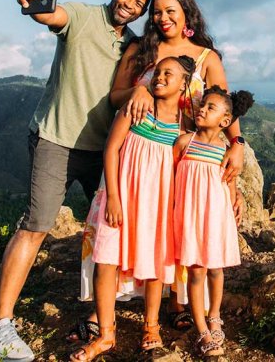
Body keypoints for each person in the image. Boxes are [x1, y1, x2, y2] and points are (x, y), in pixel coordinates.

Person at [0, 0, 152, 362]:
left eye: (139, 3)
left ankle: (100, 313)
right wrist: (35, 5)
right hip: (55, 140)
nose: (130, 4)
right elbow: (51, 16)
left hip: (104, 149)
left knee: (114, 229)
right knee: (37, 225)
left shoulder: (135, 46)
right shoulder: (82, 16)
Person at [68, 0, 245, 339]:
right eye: (157, 12)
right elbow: (115, 95)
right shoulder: (141, 48)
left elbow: (222, 104)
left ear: (186, 13)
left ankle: (176, 302)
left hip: (182, 157)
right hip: (137, 149)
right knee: (119, 230)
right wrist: (138, 90)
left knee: (166, 228)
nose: (163, 18)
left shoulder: (207, 57)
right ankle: (105, 309)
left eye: (171, 11)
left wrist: (237, 142)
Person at [71, 56, 194, 361]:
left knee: (155, 264)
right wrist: (112, 196)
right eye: (157, 71)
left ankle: (151, 327)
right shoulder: (136, 108)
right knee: (107, 261)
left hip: (158, 204)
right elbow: (111, 149)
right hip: (122, 198)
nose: (160, 77)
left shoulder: (182, 123)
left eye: (170, 73)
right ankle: (106, 334)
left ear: (184, 84)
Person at [172, 87, 254, 358]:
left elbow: (229, 183)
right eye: (202, 105)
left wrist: (234, 206)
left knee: (216, 270)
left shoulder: (227, 150)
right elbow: (170, 178)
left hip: (216, 217)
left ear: (225, 121)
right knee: (196, 273)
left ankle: (215, 315)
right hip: (189, 217)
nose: (202, 109)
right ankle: (201, 329)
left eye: (210, 108)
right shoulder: (185, 142)